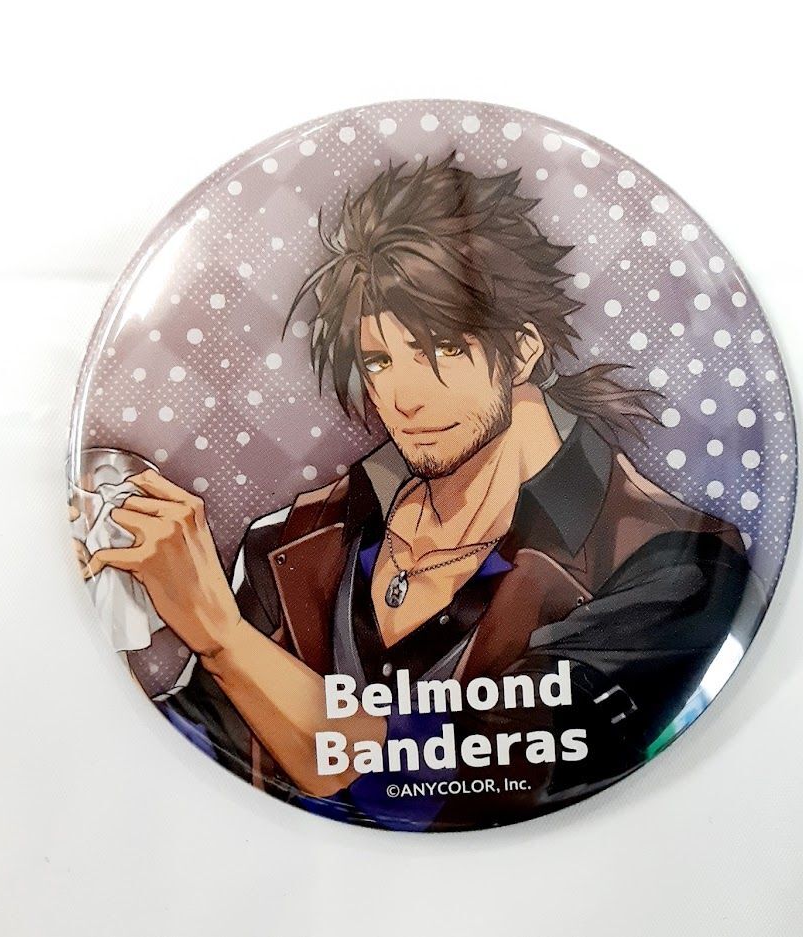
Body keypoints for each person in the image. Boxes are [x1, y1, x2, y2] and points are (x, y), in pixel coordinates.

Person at [83, 152, 767, 831]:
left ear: (522, 350)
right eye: (380, 360)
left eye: (442, 350)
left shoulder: (677, 566)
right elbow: (209, 749)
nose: (405, 397)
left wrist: (219, 633)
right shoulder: (295, 542)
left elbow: (443, 785)